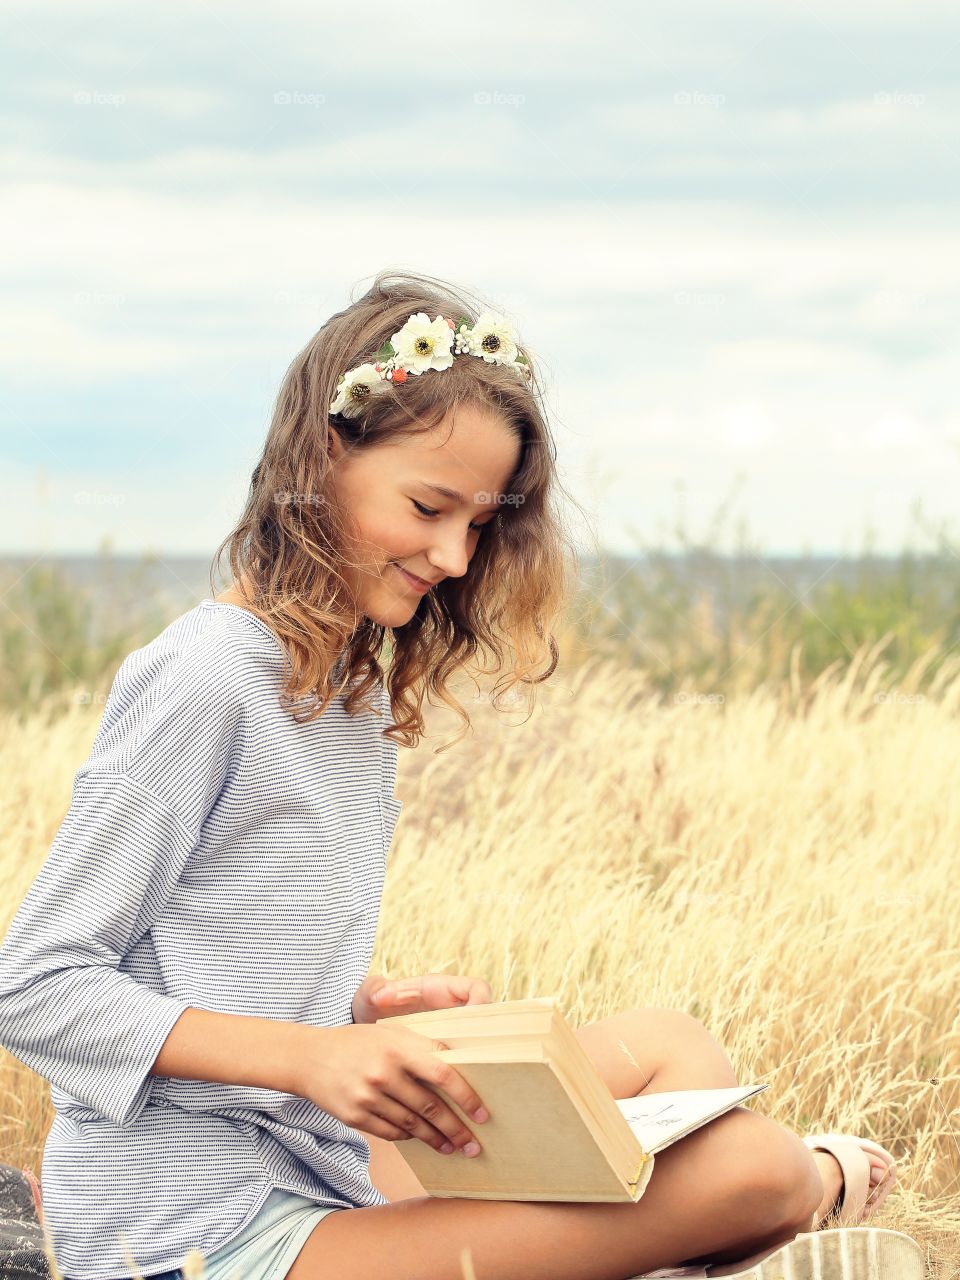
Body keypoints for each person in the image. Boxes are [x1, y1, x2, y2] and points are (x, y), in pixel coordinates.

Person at [0, 271, 899, 1280]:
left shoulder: (351, 693)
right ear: (320, 458)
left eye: (478, 522)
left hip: (312, 1158)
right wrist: (313, 1057)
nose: (453, 554)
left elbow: (210, 963)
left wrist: (358, 1018)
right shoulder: (205, 675)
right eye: (429, 506)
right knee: (754, 1166)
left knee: (668, 1042)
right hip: (197, 1224)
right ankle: (804, 1197)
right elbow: (35, 982)